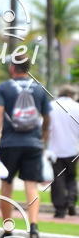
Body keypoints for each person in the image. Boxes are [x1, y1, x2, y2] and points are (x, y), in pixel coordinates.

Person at [0, 57, 50, 238]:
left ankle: (8, 232)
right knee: (32, 186)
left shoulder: (4, 88)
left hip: (10, 144)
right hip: (33, 144)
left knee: (6, 186)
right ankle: (34, 229)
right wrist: (43, 139)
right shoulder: (39, 89)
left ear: (12, 68)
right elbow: (47, 117)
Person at [47, 85, 79, 218]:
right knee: (71, 177)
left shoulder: (51, 106)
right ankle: (71, 201)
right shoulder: (77, 107)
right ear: (72, 95)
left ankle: (60, 209)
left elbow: (45, 126)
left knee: (57, 178)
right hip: (73, 149)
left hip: (55, 149)